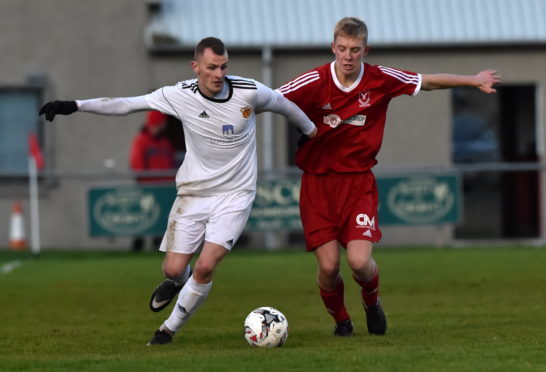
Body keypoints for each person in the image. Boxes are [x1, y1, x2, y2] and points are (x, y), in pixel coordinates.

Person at [39, 36, 317, 345]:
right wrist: (75, 106)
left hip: (236, 195)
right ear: (195, 67)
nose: (218, 74)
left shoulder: (249, 91)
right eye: (211, 67)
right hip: (193, 194)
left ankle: (167, 330)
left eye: (223, 67)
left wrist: (310, 132)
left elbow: (286, 105)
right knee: (173, 268)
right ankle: (177, 282)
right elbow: (126, 104)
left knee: (206, 265)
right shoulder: (178, 95)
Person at [276, 17, 501, 337]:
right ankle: (342, 320)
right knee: (328, 267)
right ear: (332, 48)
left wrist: (473, 79)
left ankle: (371, 301)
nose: (348, 56)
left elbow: (428, 81)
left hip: (357, 184)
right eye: (342, 49)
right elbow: (270, 98)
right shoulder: (313, 81)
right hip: (317, 183)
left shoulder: (381, 78)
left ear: (366, 50)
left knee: (359, 262)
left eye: (355, 49)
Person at [129, 110, 177, 252]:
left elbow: (171, 164)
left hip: (164, 188)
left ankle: (158, 246)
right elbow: (137, 165)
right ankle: (138, 245)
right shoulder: (141, 140)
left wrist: (169, 183)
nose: (161, 127)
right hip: (147, 188)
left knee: (162, 220)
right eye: (159, 124)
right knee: (143, 219)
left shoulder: (165, 142)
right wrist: (147, 182)